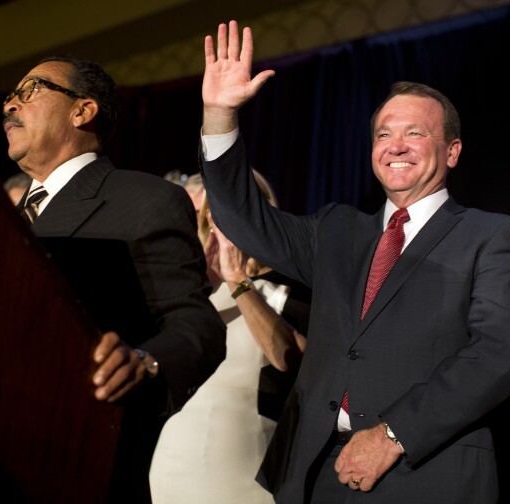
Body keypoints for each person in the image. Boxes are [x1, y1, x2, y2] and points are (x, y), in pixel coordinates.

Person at [198, 20, 510, 504]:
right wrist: (219, 114)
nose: (396, 145)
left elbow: (496, 355)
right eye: (384, 133)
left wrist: (393, 435)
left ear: (452, 151)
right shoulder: (336, 230)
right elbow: (245, 219)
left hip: (426, 473)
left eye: (415, 133)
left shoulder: (491, 236)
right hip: (312, 473)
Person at [2, 54, 226, 503]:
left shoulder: (145, 199)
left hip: (81, 464)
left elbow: (196, 325)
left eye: (31, 91)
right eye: (9, 96)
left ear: (82, 111)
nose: (10, 105)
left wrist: (144, 361)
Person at [149, 170, 307, 504]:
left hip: (241, 461)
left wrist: (238, 280)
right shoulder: (199, 289)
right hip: (175, 455)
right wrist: (200, 283)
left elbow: (289, 357)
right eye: (218, 214)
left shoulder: (291, 287)